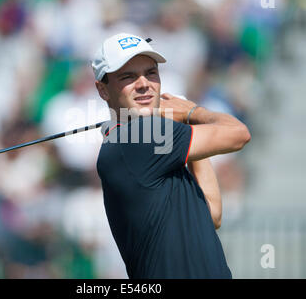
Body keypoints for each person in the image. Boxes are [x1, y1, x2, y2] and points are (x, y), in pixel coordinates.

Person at [91, 33, 251, 278]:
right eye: (128, 77)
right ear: (103, 90)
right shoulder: (143, 135)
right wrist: (193, 112)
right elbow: (239, 133)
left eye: (151, 73)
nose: (144, 83)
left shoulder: (152, 144)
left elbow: (213, 214)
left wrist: (186, 129)